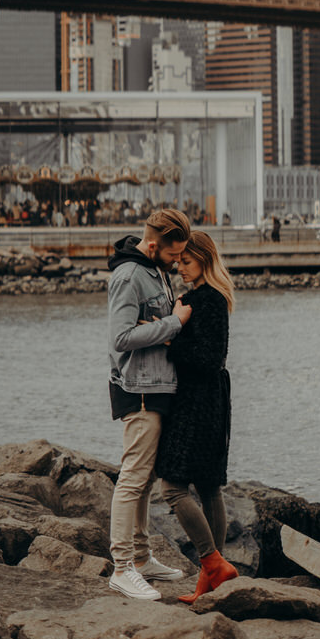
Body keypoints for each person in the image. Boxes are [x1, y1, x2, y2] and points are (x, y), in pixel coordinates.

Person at [106, 206, 192, 601]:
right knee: (132, 478)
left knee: (143, 480)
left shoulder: (154, 269)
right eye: (175, 255)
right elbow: (121, 337)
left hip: (156, 385)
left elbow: (144, 329)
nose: (178, 263)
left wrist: (156, 328)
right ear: (155, 244)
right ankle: (121, 568)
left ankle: (141, 559)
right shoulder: (128, 276)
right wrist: (172, 325)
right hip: (138, 387)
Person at [155, 230, 239, 602]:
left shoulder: (208, 300)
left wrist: (172, 339)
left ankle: (211, 562)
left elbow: (210, 358)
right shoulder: (202, 299)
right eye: (178, 263)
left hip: (198, 403)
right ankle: (211, 585)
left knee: (172, 487)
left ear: (205, 260)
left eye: (186, 262)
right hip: (206, 401)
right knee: (207, 486)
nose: (180, 269)